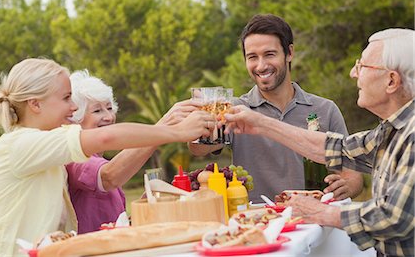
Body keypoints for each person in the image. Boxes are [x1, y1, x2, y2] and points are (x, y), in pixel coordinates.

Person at [0, 58, 215, 256]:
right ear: (35, 104)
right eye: (66, 99)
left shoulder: (46, 144)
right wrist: (177, 131)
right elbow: (108, 139)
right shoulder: (20, 143)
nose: (73, 108)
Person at [223, 28, 414, 257]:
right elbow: (340, 149)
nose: (353, 73)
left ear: (392, 80)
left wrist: (321, 213)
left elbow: (394, 218)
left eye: (362, 66)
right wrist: (261, 124)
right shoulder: (391, 131)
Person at [189, 14, 363, 203]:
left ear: (289, 53)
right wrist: (202, 121)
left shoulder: (325, 109)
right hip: (257, 221)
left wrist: (346, 186)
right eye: (252, 57)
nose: (261, 66)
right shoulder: (237, 109)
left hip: (314, 223)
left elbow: (353, 175)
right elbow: (198, 149)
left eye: (269, 54)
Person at [67, 70, 203, 233]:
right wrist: (162, 129)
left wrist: (145, 205)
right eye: (97, 111)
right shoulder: (74, 156)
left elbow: (113, 221)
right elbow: (109, 176)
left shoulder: (100, 159)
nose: (109, 117)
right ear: (76, 118)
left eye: (109, 108)